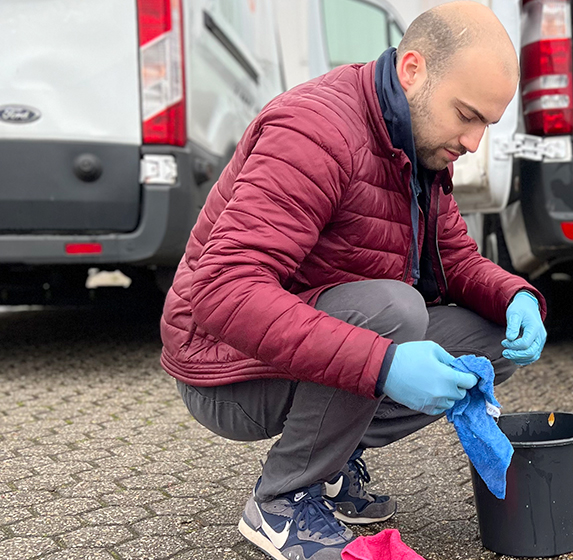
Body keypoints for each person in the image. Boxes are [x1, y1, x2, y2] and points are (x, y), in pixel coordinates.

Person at [158, 2, 547, 558]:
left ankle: (333, 465)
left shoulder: (417, 144)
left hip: (307, 337)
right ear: (412, 70)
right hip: (224, 368)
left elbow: (454, 258)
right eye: (467, 115)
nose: (474, 141)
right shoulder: (315, 130)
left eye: (487, 122)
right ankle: (283, 503)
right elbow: (223, 292)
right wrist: (383, 365)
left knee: (491, 344)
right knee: (395, 311)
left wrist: (515, 297)